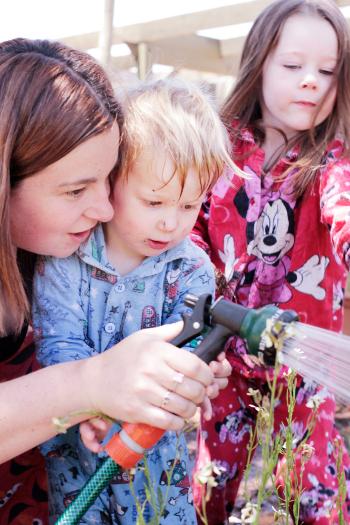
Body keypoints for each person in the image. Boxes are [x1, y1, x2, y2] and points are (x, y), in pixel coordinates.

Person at [0, 39, 230, 525]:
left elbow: (188, 345)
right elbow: (62, 341)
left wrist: (194, 371)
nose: (104, 209)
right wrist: (91, 391)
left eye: (190, 207)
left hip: (146, 473)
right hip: (71, 475)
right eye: (76, 189)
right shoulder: (65, 261)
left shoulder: (187, 268)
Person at [191, 1, 350, 524]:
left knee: (315, 495)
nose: (311, 82)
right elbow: (187, 230)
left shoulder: (333, 162)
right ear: (258, 63)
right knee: (204, 491)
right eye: (292, 66)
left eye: (327, 71)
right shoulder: (215, 148)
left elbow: (344, 211)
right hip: (220, 360)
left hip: (303, 368)